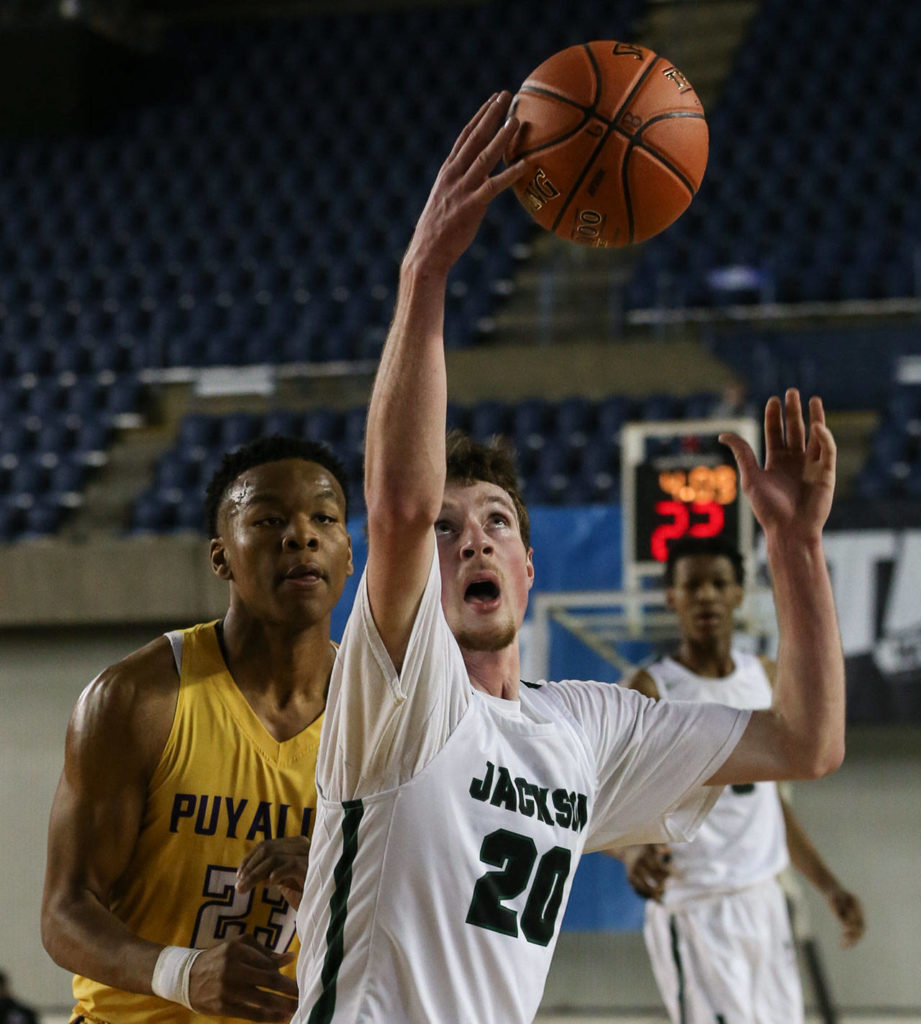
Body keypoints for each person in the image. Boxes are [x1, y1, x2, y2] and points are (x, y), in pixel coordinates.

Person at [291, 92, 845, 1024]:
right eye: (448, 526)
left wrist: (794, 547)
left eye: (498, 521)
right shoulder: (397, 688)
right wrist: (424, 278)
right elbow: (395, 504)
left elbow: (806, 744)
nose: (472, 536)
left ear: (528, 569)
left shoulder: (586, 730)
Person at [41, 435, 354, 1024]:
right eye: (268, 520)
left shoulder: (377, 718)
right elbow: (64, 912)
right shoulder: (137, 699)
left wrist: (336, 878)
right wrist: (181, 974)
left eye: (324, 518)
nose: (301, 535)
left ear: (347, 554)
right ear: (221, 558)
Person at [616, 535, 865, 1024]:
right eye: (693, 586)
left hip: (763, 901)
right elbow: (602, 804)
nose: (706, 595)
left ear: (738, 594)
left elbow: (771, 806)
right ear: (673, 598)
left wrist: (829, 886)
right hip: (695, 907)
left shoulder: (766, 678)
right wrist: (630, 851)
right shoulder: (649, 689)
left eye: (718, 584)